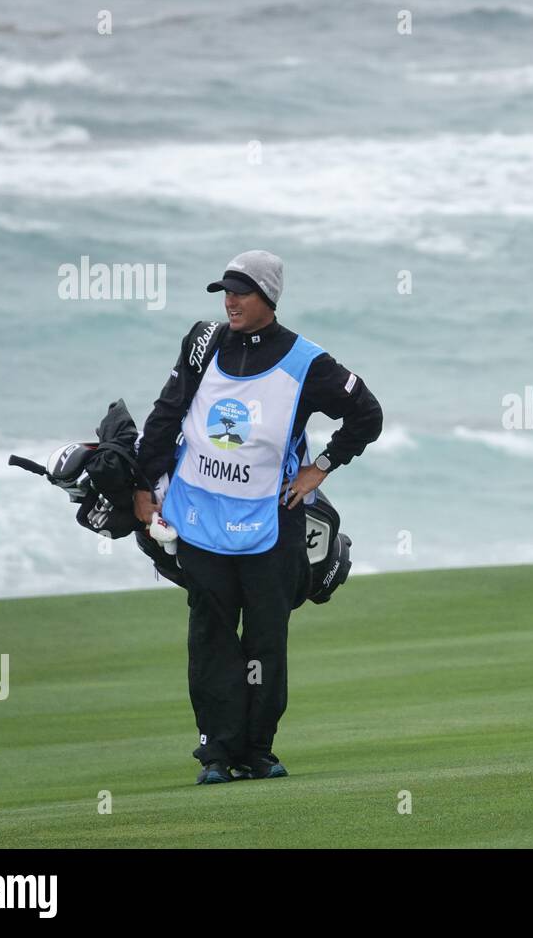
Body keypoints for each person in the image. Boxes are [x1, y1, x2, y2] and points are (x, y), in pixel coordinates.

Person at [133, 250, 382, 784]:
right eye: (225, 291)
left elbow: (367, 415)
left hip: (272, 524)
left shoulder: (308, 362)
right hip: (199, 517)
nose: (230, 301)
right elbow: (166, 412)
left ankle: (259, 750)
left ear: (268, 298)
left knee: (265, 640)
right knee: (211, 638)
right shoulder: (204, 342)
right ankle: (216, 753)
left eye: (241, 292)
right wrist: (142, 488)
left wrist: (320, 467)